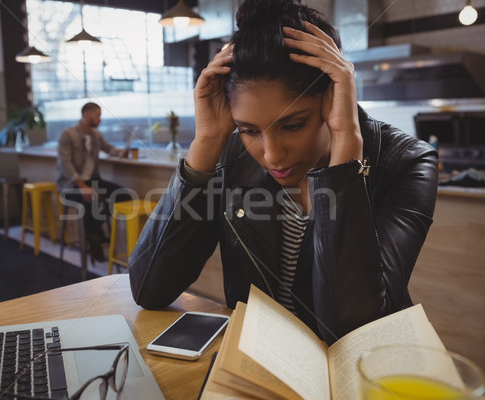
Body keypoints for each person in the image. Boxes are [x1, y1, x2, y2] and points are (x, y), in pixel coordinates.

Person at [128, 0, 438, 345]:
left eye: (293, 125)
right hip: (260, 371)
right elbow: (148, 288)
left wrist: (346, 145)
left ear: (333, 97)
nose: (272, 155)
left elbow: (352, 332)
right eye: (249, 130)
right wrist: (206, 142)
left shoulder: (406, 162)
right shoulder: (231, 156)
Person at [56, 102, 132, 262]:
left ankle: (96, 227)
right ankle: (95, 242)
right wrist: (82, 186)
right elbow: (65, 164)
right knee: (92, 198)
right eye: (97, 115)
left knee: (125, 195)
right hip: (70, 186)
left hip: (93, 181)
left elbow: (108, 148)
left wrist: (120, 152)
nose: (100, 119)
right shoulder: (68, 134)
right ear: (86, 114)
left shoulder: (96, 135)